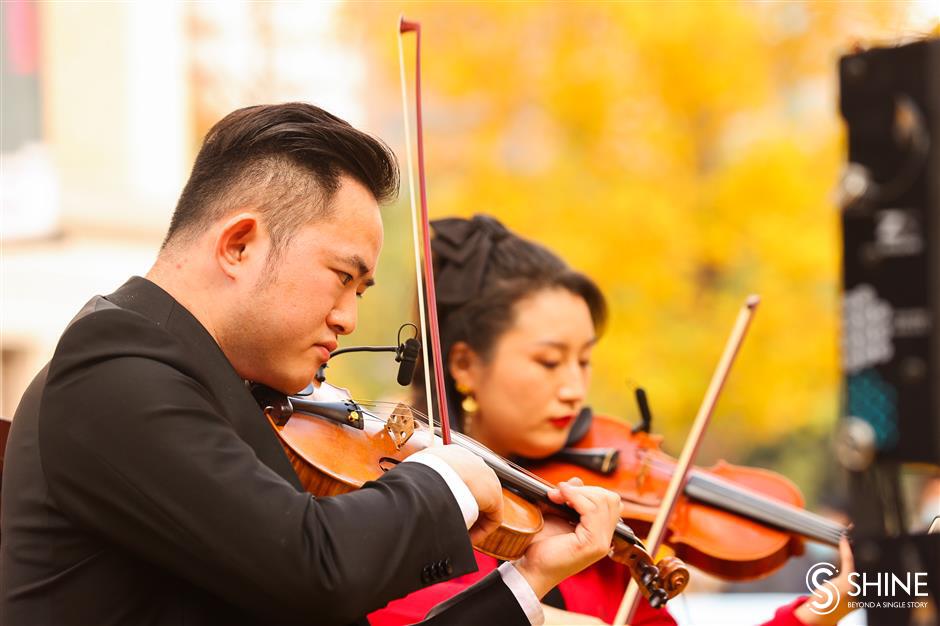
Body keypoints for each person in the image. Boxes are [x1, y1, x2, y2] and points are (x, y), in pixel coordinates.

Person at [0, 104, 626, 626]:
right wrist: (448, 476)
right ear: (240, 244)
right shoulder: (113, 369)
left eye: (363, 291)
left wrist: (530, 576)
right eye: (343, 278)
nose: (349, 318)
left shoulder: (223, 393)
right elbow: (312, 566)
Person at [368, 215, 859, 626]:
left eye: (583, 361)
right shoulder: (402, 502)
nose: (573, 388)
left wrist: (836, 600)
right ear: (464, 366)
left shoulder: (598, 531)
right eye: (548, 361)